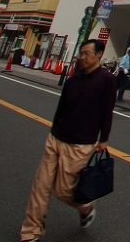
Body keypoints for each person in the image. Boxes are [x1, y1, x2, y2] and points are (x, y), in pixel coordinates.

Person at [20, 39, 116, 242]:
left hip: (80, 143)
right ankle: (31, 232)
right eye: (81, 53)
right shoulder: (73, 80)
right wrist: (53, 129)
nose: (82, 57)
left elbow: (107, 112)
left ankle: (85, 206)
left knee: (64, 191)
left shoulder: (106, 80)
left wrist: (104, 139)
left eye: (87, 53)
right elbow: (61, 108)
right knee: (41, 186)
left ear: (99, 54)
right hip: (56, 137)